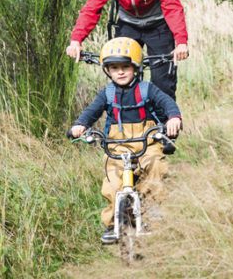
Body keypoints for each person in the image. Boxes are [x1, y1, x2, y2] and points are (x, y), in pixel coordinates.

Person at [70, 37, 182, 245]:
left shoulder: (147, 88)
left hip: (146, 140)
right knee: (112, 177)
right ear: (107, 70)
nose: (120, 72)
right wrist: (80, 125)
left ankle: (154, 211)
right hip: (117, 143)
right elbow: (91, 111)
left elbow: (167, 103)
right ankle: (113, 223)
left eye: (125, 67)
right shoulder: (107, 93)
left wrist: (174, 118)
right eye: (114, 68)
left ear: (136, 68)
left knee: (155, 166)